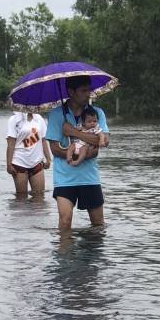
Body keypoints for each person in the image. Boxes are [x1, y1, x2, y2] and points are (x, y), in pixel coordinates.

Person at [46, 76, 110, 229]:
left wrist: (73, 131)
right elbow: (54, 149)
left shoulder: (97, 113)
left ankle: (93, 254)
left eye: (89, 90)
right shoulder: (56, 115)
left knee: (98, 225)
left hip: (90, 177)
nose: (88, 94)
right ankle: (64, 253)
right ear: (71, 92)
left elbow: (103, 141)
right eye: (84, 91)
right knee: (65, 221)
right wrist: (81, 155)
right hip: (64, 178)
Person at [6, 111, 52, 197]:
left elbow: (43, 140)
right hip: (19, 163)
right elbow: (11, 144)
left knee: (40, 196)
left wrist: (48, 159)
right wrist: (9, 165)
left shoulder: (39, 118)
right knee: (21, 199)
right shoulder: (14, 119)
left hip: (37, 162)